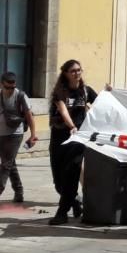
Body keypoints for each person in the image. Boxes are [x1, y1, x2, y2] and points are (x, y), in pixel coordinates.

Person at [48, 60, 97, 225]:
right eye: (72, 71)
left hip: (78, 140)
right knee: (59, 182)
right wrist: (71, 126)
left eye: (78, 70)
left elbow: (102, 105)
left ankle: (62, 213)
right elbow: (63, 111)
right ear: (66, 74)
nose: (76, 73)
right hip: (60, 138)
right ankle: (75, 202)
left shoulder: (86, 91)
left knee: (71, 174)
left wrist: (109, 92)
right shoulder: (60, 92)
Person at [0, 72, 37, 202]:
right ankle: (19, 191)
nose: (10, 90)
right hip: (1, 134)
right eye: (7, 87)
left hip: (15, 134)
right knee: (10, 163)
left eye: (12, 87)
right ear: (1, 84)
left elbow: (29, 116)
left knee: (5, 165)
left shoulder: (20, 95)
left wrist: (33, 134)